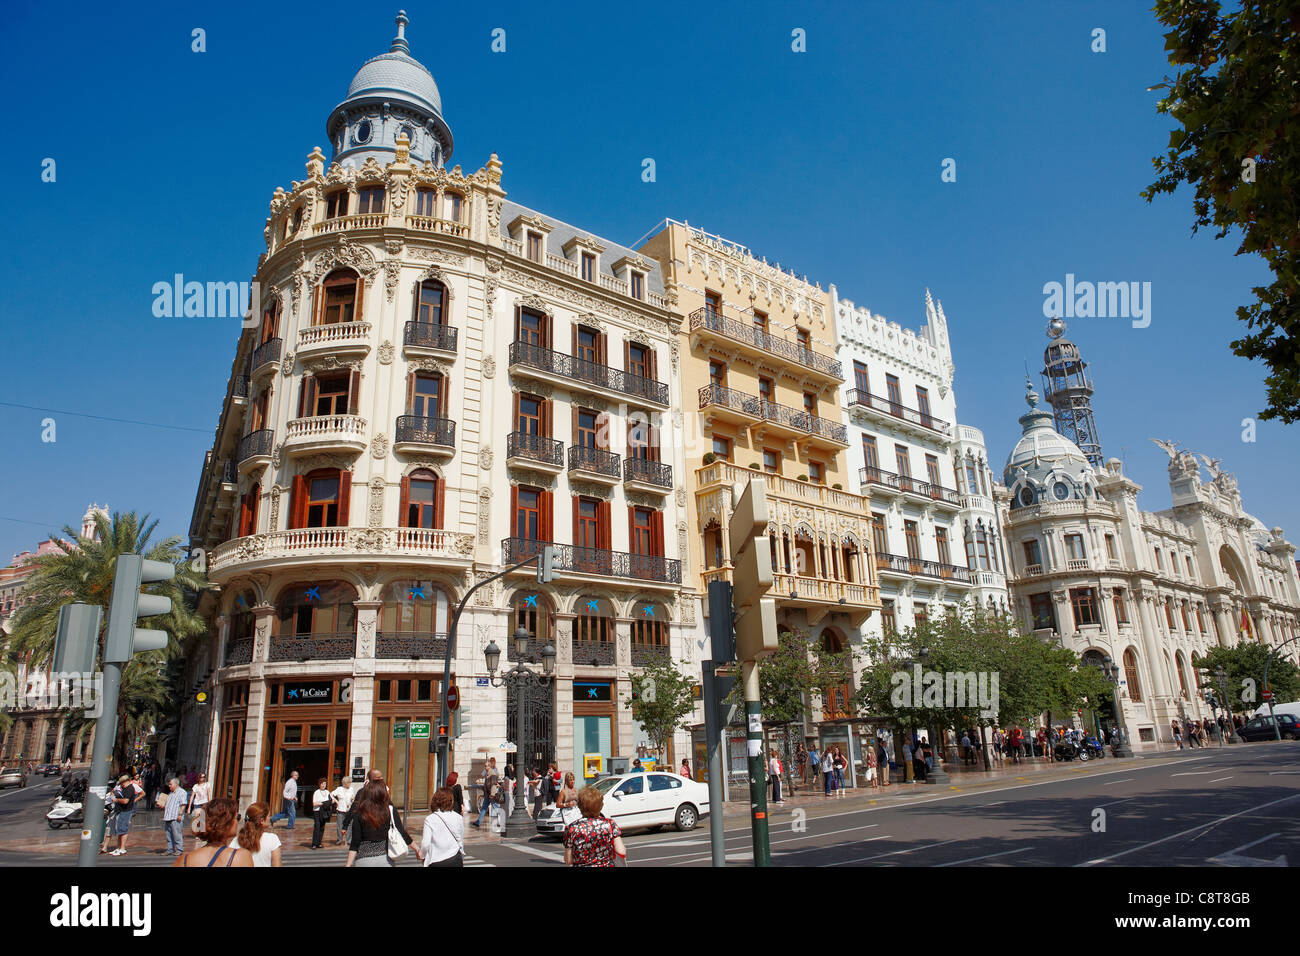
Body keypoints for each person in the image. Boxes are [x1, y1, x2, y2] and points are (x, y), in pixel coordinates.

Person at [346, 778, 419, 866]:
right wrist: (417, 849)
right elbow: (402, 833)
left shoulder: (360, 813)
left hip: (363, 859)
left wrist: (348, 865)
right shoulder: (389, 810)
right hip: (385, 859)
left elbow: (355, 842)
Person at [173, 798, 252, 868]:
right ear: (226, 822)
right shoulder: (239, 856)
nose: (237, 822)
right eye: (237, 817)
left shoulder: (184, 860)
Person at [563, 785, 627, 867]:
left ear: (580, 806)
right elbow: (621, 851)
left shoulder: (572, 828)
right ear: (600, 805)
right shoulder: (610, 824)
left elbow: (569, 860)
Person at [421, 788, 465, 867]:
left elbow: (425, 844)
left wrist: (422, 856)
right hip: (455, 859)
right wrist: (461, 857)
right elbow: (460, 840)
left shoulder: (430, 819)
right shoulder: (458, 817)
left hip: (436, 860)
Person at [231, 801, 282, 867]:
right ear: (262, 821)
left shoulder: (236, 840)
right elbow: (277, 865)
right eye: (268, 816)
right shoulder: (272, 839)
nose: (270, 818)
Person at [105, 773, 142, 856]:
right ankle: (118, 848)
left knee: (123, 830)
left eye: (123, 783)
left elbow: (126, 801)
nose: (122, 785)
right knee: (120, 830)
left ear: (127, 781)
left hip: (126, 811)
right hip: (120, 810)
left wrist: (116, 800)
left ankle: (122, 848)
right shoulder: (124, 788)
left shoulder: (130, 789)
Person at [161, 777, 188, 856]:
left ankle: (179, 849)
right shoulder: (170, 794)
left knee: (177, 834)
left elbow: (183, 804)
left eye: (170, 784)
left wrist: (180, 814)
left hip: (175, 817)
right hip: (168, 817)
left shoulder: (182, 792)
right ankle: (170, 849)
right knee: (168, 835)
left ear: (176, 784)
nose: (169, 786)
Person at [331, 775, 355, 845]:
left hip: (349, 810)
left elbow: (353, 797)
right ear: (345, 783)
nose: (350, 784)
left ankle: (349, 840)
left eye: (350, 783)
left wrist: (352, 798)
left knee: (350, 825)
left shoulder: (351, 789)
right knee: (340, 825)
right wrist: (335, 801)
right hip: (341, 809)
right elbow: (331, 794)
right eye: (348, 783)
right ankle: (339, 839)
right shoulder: (339, 789)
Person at [186, 772, 211, 838]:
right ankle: (197, 832)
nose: (202, 778)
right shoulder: (195, 786)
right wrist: (189, 807)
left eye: (203, 777)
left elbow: (208, 794)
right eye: (201, 777)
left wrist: (209, 803)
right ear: (198, 778)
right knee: (196, 819)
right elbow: (192, 796)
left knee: (202, 818)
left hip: (204, 803)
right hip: (197, 803)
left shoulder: (207, 785)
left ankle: (201, 834)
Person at [310, 778, 332, 849]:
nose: (323, 785)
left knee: (322, 827)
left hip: (324, 812)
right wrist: (323, 803)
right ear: (319, 784)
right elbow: (314, 803)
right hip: (317, 811)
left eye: (325, 784)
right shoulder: (317, 792)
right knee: (317, 826)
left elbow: (331, 800)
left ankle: (319, 842)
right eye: (322, 784)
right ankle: (314, 843)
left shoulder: (327, 792)